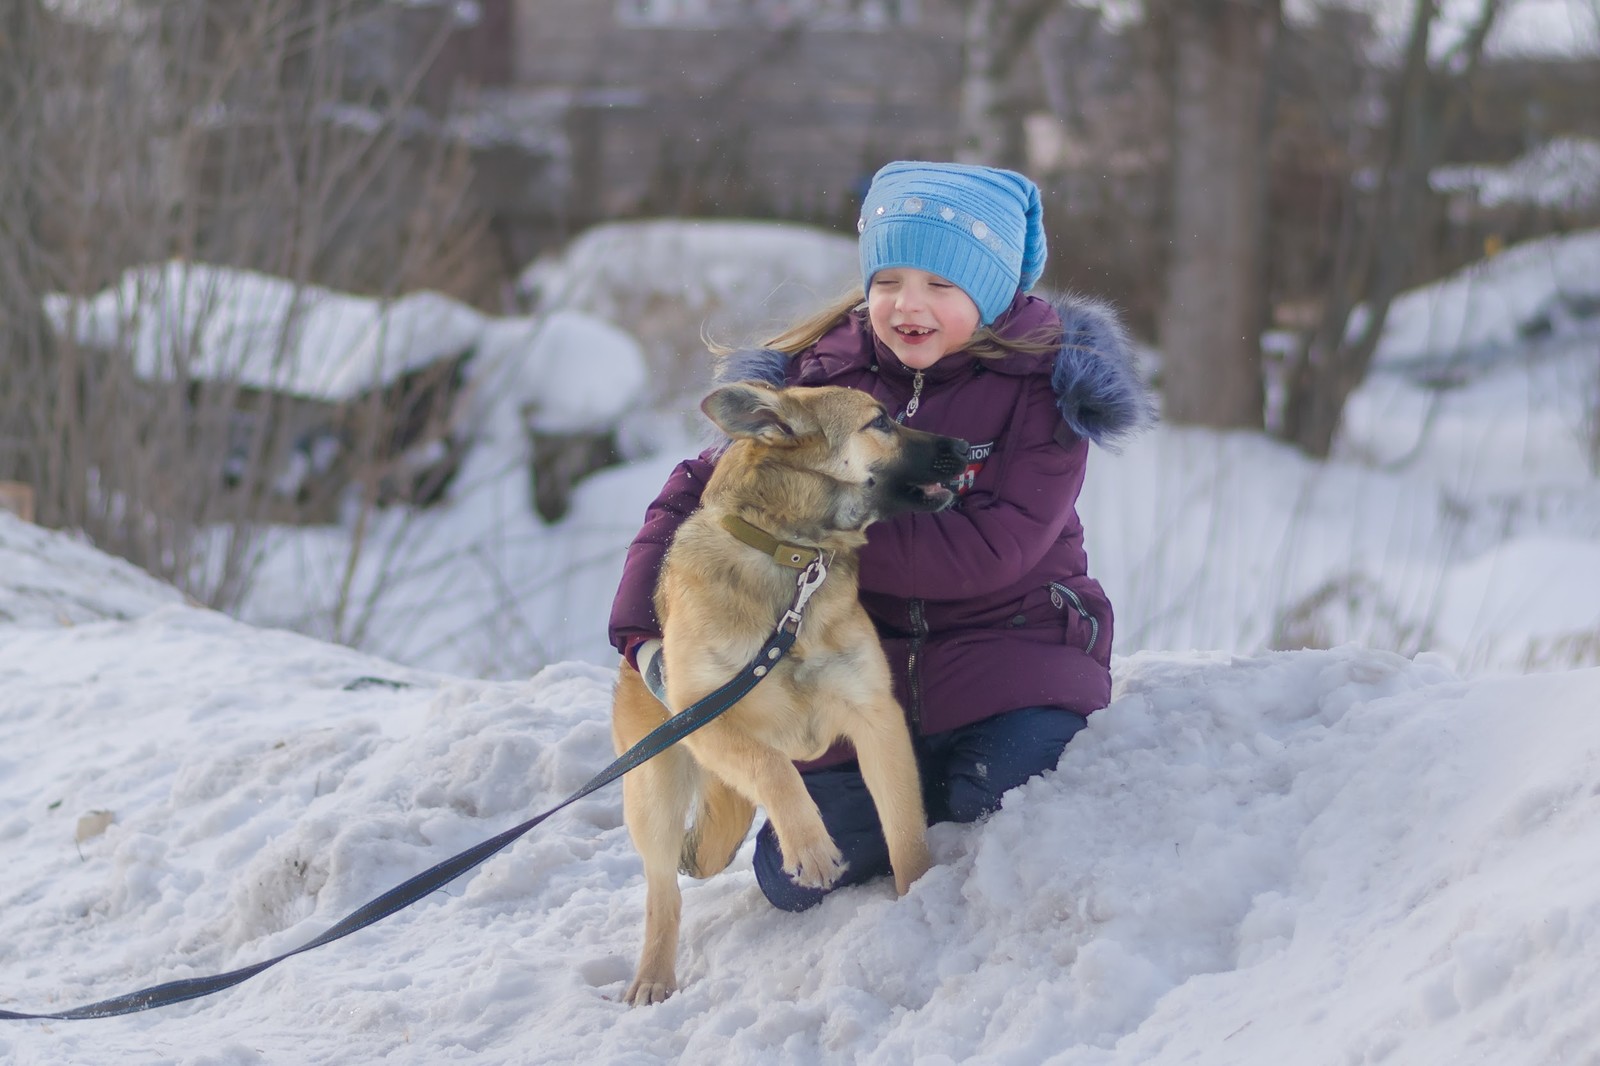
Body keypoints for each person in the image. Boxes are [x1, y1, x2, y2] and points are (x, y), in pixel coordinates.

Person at [608, 160, 1156, 911]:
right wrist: (644, 635)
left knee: (1005, 802)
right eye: (889, 279)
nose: (908, 304)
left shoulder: (1046, 392)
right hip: (856, 680)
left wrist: (800, 537)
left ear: (992, 293)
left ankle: (944, 791)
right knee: (796, 880)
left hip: (1011, 661)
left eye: (941, 284)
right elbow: (697, 499)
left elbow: (993, 549)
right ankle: (853, 790)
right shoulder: (820, 378)